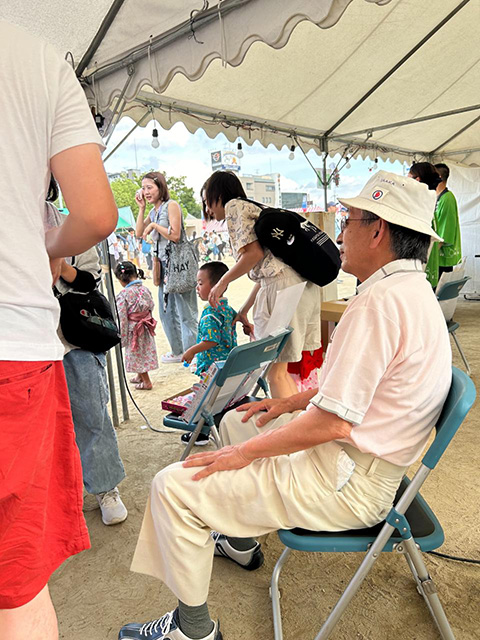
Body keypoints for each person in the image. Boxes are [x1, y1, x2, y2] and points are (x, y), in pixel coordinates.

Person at [119, 171, 451, 640]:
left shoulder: (380, 303)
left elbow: (333, 424)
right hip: (360, 464)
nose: (340, 234)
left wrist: (244, 455)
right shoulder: (412, 291)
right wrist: (289, 403)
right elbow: (361, 389)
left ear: (378, 230)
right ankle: (238, 541)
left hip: (347, 480)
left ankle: (192, 631)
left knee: (174, 485)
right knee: (239, 420)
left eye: (349, 220)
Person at [0, 20, 117, 640]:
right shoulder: (39, 62)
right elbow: (97, 213)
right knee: (18, 586)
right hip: (19, 343)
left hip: (45, 336)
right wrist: (43, 246)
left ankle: (109, 488)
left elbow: (89, 245)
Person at [45, 192, 127, 527]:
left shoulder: (70, 224)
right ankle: (59, 496)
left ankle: (106, 488)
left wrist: (59, 263)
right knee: (43, 427)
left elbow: (90, 278)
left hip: (75, 338)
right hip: (27, 342)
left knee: (92, 415)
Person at [203, 170, 322, 399]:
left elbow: (253, 255)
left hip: (284, 289)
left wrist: (221, 283)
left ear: (217, 194)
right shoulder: (254, 208)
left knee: (274, 372)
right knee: (281, 372)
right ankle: (293, 419)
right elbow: (265, 271)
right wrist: (245, 309)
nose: (208, 209)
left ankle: (286, 421)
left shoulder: (234, 207)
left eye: (207, 201)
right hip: (301, 286)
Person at [135, 172, 198, 364]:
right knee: (166, 312)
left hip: (179, 265)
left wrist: (155, 226)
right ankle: (178, 351)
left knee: (186, 312)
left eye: (149, 187)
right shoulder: (153, 211)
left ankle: (193, 353)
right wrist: (142, 209)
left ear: (160, 187)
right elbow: (138, 232)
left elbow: (176, 235)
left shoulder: (171, 205)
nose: (146, 192)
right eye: (143, 188)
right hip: (162, 266)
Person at [115, 261, 159, 391]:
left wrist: (122, 336)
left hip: (133, 328)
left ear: (121, 279)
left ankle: (146, 382)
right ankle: (140, 376)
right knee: (143, 351)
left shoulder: (124, 294)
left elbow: (121, 317)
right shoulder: (145, 289)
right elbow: (151, 306)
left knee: (137, 353)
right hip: (146, 325)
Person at [407, 162, 442, 288]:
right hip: (427, 262)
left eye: (408, 176)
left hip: (418, 267)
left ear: (417, 180)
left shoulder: (416, 206)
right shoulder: (429, 201)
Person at [434, 163, 462, 280]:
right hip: (436, 256)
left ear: (439, 177)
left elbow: (445, 233)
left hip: (441, 258)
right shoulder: (437, 197)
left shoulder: (447, 198)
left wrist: (429, 255)